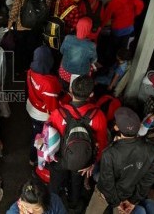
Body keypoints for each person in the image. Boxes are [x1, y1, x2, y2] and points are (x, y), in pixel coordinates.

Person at [47, 75, 107, 212]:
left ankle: (51, 205)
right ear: (91, 94)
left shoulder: (58, 113)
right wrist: (92, 162)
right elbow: (101, 143)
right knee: (76, 184)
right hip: (82, 160)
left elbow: (49, 137)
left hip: (60, 158)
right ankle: (73, 204)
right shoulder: (98, 116)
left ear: (70, 91)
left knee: (55, 183)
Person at [94, 107, 154, 214]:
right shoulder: (150, 150)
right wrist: (133, 201)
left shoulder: (109, 153)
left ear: (116, 128)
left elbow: (107, 182)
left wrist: (116, 203)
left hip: (109, 196)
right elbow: (148, 179)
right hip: (130, 194)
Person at [8, 0, 52, 73]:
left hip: (21, 25)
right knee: (33, 48)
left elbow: (15, 7)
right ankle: (30, 68)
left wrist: (10, 21)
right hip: (37, 26)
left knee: (20, 48)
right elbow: (47, 9)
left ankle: (18, 69)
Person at [26, 45, 62, 165]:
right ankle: (33, 158)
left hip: (31, 106)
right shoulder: (49, 84)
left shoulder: (30, 71)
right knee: (40, 137)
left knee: (35, 131)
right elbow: (53, 108)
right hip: (41, 115)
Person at [101, 0, 144, 65]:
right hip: (130, 26)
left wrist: (101, 26)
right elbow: (140, 4)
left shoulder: (113, 2)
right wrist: (134, 14)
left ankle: (111, 62)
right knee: (123, 45)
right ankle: (121, 62)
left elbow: (106, 17)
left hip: (118, 28)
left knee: (113, 46)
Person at [58, 17, 98, 88]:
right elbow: (93, 60)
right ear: (89, 29)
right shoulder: (91, 45)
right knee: (93, 68)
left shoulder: (68, 38)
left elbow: (62, 51)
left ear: (77, 26)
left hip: (64, 73)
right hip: (80, 77)